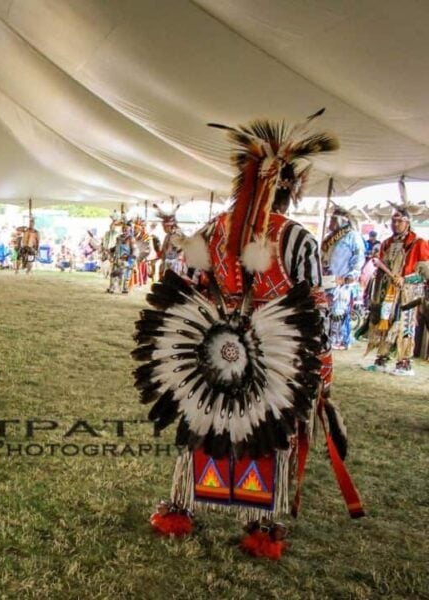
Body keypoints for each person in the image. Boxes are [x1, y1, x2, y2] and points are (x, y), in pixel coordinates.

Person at [133, 111, 363, 559]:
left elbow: (187, 287)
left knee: (205, 418)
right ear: (291, 189)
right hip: (275, 354)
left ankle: (182, 506)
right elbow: (314, 313)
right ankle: (260, 525)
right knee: (268, 429)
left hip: (212, 349)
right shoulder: (297, 239)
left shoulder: (213, 230)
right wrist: (321, 374)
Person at [364, 202, 429, 375]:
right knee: (384, 322)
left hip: (408, 294)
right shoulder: (387, 243)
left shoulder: (418, 243)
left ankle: (404, 363)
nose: (395, 224)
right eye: (393, 221)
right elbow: (381, 265)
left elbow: (425, 272)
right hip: (387, 292)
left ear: (407, 222)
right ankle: (381, 359)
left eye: (399, 221)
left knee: (403, 325)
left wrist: (405, 279)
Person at [321, 204, 365, 348]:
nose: (331, 222)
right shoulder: (330, 238)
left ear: (342, 221)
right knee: (325, 310)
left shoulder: (353, 237)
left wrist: (349, 277)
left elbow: (359, 259)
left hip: (342, 282)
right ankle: (325, 338)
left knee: (338, 311)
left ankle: (338, 339)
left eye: (333, 219)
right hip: (327, 280)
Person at [153, 204, 184, 279]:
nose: (163, 229)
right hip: (167, 264)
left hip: (174, 266)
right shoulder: (167, 236)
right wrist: (159, 254)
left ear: (170, 226)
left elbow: (179, 251)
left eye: (164, 227)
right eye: (163, 227)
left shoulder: (177, 235)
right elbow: (164, 251)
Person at [108, 221, 134, 294]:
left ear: (130, 229)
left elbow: (134, 250)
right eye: (123, 228)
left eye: (126, 228)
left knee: (125, 274)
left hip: (125, 260)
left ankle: (124, 288)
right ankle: (112, 288)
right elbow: (117, 247)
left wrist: (130, 259)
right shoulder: (118, 237)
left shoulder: (131, 238)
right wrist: (111, 250)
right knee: (114, 273)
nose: (124, 229)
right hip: (117, 259)